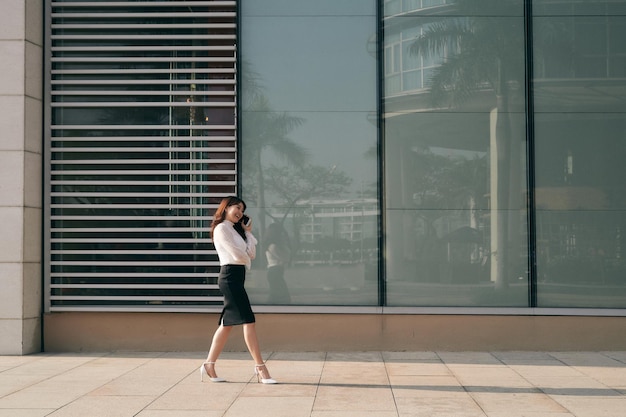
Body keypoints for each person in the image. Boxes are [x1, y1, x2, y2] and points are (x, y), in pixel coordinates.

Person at [200, 196, 277, 384]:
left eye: (242, 210)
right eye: (237, 207)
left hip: (237, 277)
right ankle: (260, 367)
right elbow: (237, 255)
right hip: (229, 277)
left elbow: (251, 254)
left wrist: (248, 233)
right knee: (248, 320)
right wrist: (245, 255)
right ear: (226, 208)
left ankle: (209, 365)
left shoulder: (236, 231)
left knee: (226, 325)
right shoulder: (221, 229)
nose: (240, 212)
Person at [265, 222, 292, 304]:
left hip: (276, 272)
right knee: (282, 296)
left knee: (276, 295)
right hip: (274, 272)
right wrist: (286, 243)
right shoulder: (273, 246)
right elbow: (286, 258)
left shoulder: (276, 246)